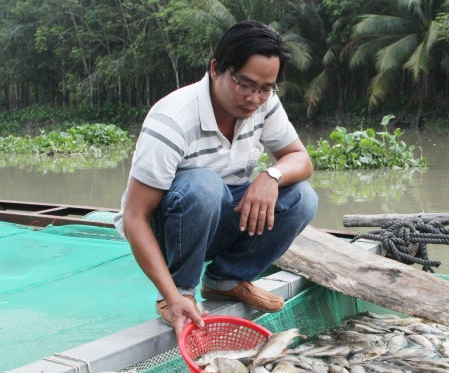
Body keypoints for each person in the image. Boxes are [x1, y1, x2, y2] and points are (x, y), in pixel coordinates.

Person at [114, 20, 318, 336]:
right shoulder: (173, 119)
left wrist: (271, 175)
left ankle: (226, 280)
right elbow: (135, 217)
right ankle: (180, 293)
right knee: (203, 186)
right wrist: (171, 294)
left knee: (303, 197)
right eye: (245, 84)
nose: (254, 97)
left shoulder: (264, 105)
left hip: (218, 217)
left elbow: (301, 159)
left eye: (266, 88)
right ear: (216, 69)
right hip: (169, 230)